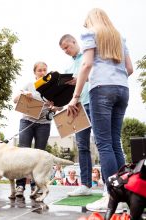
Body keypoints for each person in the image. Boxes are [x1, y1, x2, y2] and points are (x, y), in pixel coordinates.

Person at [67, 8, 133, 212]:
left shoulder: (91, 34)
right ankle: (124, 194)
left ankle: (111, 195)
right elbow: (130, 68)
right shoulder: (119, 37)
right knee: (115, 142)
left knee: (103, 144)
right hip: (122, 89)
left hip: (101, 90)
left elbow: (86, 64)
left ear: (91, 22)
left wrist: (75, 97)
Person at [13, 61, 61, 198]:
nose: (43, 72)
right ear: (35, 73)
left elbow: (60, 107)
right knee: (23, 153)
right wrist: (25, 95)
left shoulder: (53, 88)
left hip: (44, 124)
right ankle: (20, 186)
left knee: (39, 156)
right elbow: (15, 100)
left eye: (45, 70)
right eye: (39, 70)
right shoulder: (29, 85)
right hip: (27, 121)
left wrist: (55, 107)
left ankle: (37, 186)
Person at [59, 34, 92, 196]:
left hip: (94, 101)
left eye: (67, 47)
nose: (66, 50)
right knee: (82, 145)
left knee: (102, 142)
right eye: (63, 49)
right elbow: (67, 92)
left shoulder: (88, 55)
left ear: (74, 42)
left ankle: (111, 184)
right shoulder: (67, 68)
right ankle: (85, 185)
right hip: (78, 108)